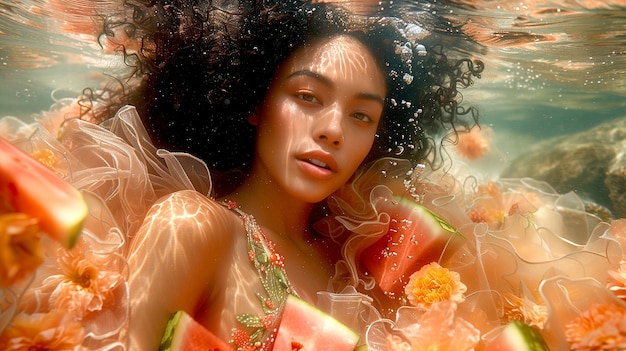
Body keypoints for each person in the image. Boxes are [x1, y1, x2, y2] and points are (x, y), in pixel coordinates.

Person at [109, 0, 483, 349]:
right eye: (307, 96)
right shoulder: (191, 224)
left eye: (361, 116)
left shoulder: (352, 262)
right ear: (256, 101)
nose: (333, 130)